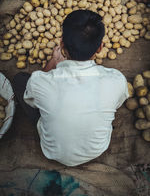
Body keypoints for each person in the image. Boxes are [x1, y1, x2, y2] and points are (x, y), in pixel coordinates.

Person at [12, 10, 129, 167]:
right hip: (96, 149)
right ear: (100, 48)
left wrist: (53, 61)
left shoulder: (40, 81)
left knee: (20, 81)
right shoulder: (117, 79)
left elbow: (31, 97)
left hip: (53, 151)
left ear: (61, 44)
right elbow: (117, 104)